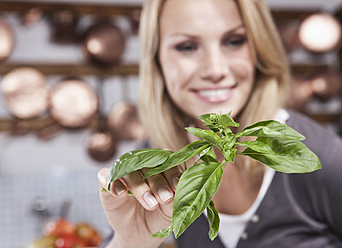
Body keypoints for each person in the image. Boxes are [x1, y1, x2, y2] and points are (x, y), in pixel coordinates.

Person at [97, 0, 342, 247]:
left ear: (260, 49)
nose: (215, 69)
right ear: (157, 61)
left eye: (234, 41)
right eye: (187, 46)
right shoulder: (161, 165)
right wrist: (130, 242)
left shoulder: (323, 157)